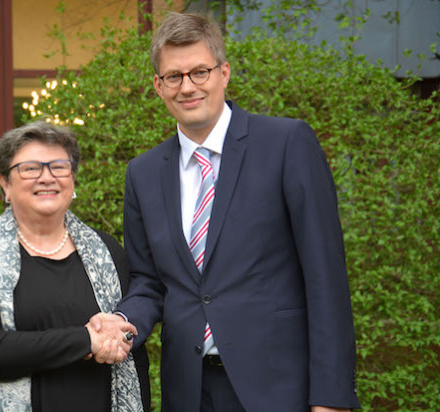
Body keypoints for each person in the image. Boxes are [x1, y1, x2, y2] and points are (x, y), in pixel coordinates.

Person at [91, 11, 361, 412]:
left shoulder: (286, 144)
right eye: (174, 77)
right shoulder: (143, 173)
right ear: (158, 86)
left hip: (279, 389)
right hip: (189, 391)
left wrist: (331, 396)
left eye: (200, 72)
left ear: (224, 73)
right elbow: (149, 282)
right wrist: (121, 321)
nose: (188, 87)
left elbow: (325, 277)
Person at [0, 122, 149, 412]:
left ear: (72, 179)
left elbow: (127, 346)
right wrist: (85, 340)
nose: (46, 177)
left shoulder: (107, 251)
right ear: (5, 183)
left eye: (59, 167)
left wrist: (115, 338)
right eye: (31, 168)